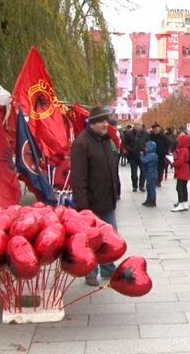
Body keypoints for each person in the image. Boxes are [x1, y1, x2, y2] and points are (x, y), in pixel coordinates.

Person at [70, 106, 121, 287]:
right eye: (101, 121)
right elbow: (78, 177)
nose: (105, 124)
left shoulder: (106, 141)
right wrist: (83, 206)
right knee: (91, 240)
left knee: (110, 238)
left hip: (107, 200)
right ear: (92, 124)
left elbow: (112, 168)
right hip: (91, 203)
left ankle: (108, 267)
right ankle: (90, 272)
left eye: (106, 121)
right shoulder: (81, 143)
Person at [121, 120, 147, 192]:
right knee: (134, 173)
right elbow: (125, 143)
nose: (137, 126)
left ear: (141, 125)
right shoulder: (129, 133)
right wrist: (130, 149)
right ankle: (134, 186)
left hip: (142, 155)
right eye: (135, 124)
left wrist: (145, 150)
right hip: (132, 156)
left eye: (138, 124)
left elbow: (148, 142)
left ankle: (141, 186)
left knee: (143, 171)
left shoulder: (145, 134)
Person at [171, 133, 190, 212]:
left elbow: (180, 161)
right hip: (185, 170)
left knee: (179, 187)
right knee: (183, 187)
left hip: (182, 170)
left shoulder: (182, 150)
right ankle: (185, 203)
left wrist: (172, 164)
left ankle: (181, 203)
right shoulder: (186, 149)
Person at [140, 140, 158, 207]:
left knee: (151, 187)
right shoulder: (150, 154)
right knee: (148, 187)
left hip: (152, 173)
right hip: (149, 173)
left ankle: (152, 201)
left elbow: (144, 160)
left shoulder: (152, 155)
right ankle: (148, 200)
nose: (145, 148)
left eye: (146, 147)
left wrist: (141, 155)